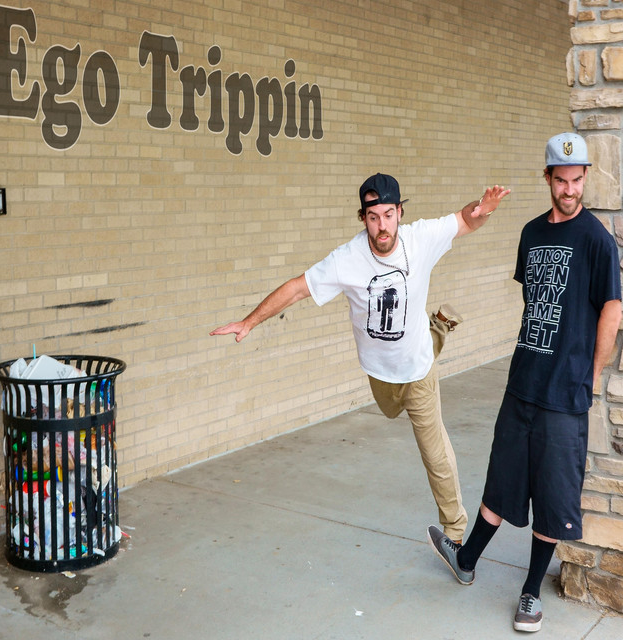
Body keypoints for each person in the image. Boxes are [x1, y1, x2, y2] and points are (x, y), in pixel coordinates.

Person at [211, 173, 510, 544]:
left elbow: (465, 219)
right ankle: (439, 325)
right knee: (394, 402)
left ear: (399, 213)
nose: (382, 226)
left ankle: (456, 532)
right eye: (373, 217)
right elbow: (297, 289)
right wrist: (249, 322)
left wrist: (483, 210)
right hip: (379, 373)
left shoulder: (421, 238)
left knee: (434, 451)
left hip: (418, 369)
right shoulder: (347, 259)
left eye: (388, 215)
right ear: (363, 218)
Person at [427, 132, 622, 633]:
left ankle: (531, 593)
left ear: (585, 178)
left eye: (577, 180)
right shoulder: (532, 233)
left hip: (564, 394)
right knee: (503, 479)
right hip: (522, 384)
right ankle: (466, 559)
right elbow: (535, 302)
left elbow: (612, 310)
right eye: (561, 181)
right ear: (548, 179)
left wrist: (591, 376)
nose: (570, 190)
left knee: (553, 497)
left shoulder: (597, 240)